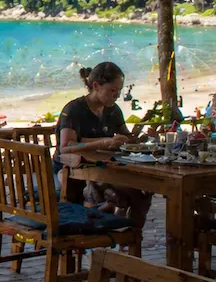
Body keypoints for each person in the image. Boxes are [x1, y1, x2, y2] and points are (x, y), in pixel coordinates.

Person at [55, 63, 152, 224]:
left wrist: (142, 137)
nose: (116, 96)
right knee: (132, 194)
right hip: (70, 170)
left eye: (119, 91)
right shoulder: (74, 110)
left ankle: (128, 234)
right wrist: (105, 142)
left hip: (104, 167)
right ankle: (118, 224)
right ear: (96, 86)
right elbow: (66, 147)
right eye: (112, 91)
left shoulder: (112, 110)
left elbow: (127, 138)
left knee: (143, 192)